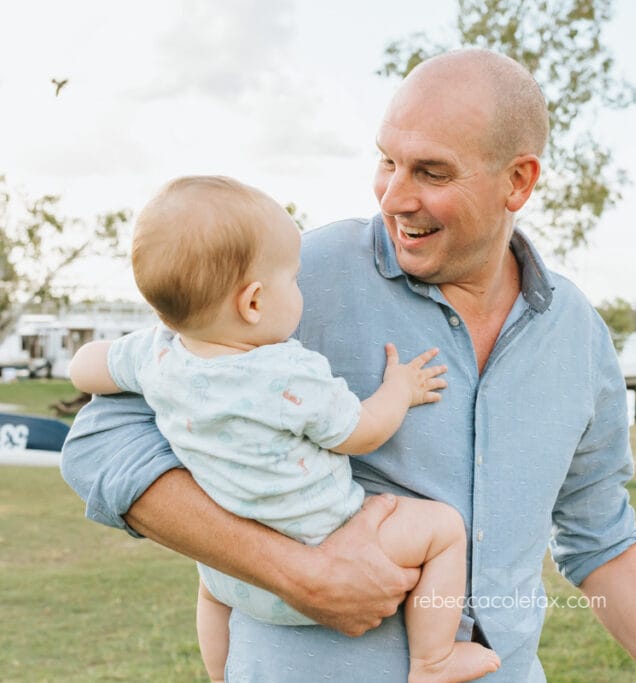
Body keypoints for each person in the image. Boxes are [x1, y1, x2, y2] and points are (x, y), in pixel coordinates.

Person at [61, 48, 636, 682]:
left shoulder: (578, 335)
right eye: (387, 161)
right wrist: (294, 571)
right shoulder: (291, 281)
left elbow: (600, 538)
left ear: (518, 181)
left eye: (432, 172)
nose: (394, 196)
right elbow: (101, 442)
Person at [67, 175, 501, 683]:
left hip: (237, 577)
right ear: (253, 303)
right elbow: (361, 432)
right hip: (332, 546)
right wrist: (400, 389)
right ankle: (434, 660)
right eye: (293, 280)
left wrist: (103, 360)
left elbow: (85, 369)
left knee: (207, 591)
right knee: (444, 530)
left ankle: (220, 672)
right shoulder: (289, 374)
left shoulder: (156, 356)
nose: (300, 288)